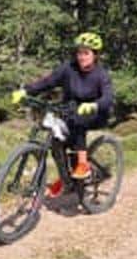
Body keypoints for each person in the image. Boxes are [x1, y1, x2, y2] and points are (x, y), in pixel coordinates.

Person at [11, 32, 114, 197]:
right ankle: (66, 179)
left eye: (86, 53)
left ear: (95, 55)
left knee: (79, 122)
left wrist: (93, 105)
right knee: (57, 141)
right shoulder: (68, 68)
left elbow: (108, 98)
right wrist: (26, 91)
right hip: (71, 109)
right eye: (79, 52)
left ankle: (83, 164)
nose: (81, 57)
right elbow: (48, 81)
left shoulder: (101, 75)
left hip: (96, 113)